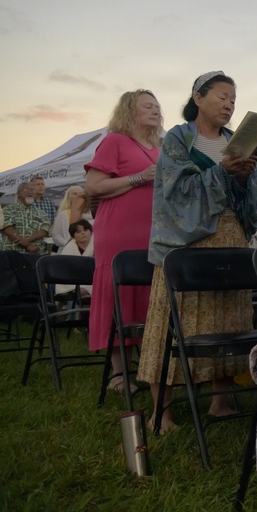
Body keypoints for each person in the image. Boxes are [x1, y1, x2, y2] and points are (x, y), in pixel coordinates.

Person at [137, 72, 257, 432]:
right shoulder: (178, 139)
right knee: (173, 324)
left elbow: (247, 199)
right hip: (188, 244)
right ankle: (162, 413)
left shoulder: (234, 141)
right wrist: (221, 171)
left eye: (233, 99)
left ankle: (219, 403)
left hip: (230, 235)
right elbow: (176, 190)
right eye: (222, 96)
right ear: (198, 97)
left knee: (226, 317)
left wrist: (242, 177)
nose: (229, 104)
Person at [85, 89, 163, 393]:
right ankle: (118, 374)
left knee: (146, 296)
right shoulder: (114, 141)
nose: (156, 110)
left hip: (153, 233)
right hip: (119, 231)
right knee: (121, 293)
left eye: (157, 106)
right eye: (148, 106)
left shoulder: (158, 147)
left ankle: (147, 368)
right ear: (130, 111)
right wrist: (140, 178)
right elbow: (94, 186)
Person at [1, 182, 50, 254]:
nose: (30, 192)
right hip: (12, 252)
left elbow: (45, 230)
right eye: (27, 189)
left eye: (33, 190)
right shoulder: (8, 209)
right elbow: (7, 228)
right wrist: (27, 244)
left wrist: (27, 240)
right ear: (18, 194)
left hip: (36, 252)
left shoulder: (41, 213)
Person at [54, 220, 95, 297]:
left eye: (85, 230)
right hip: (71, 281)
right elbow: (65, 270)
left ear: (91, 232)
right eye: (78, 232)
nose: (83, 233)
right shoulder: (68, 249)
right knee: (80, 291)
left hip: (93, 279)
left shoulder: (97, 245)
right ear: (73, 236)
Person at [51, 186, 94, 251]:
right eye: (75, 194)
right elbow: (56, 235)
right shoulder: (63, 214)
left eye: (81, 194)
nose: (78, 196)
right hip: (68, 250)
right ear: (69, 197)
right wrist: (70, 244)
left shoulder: (93, 214)